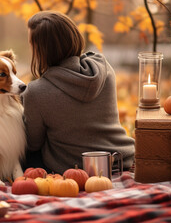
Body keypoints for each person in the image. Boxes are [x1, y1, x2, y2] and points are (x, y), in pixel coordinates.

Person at [22, 10, 135, 174]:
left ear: (41, 51)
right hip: (119, 158)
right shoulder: (103, 68)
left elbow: (33, 143)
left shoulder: (35, 91)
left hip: (75, 168)